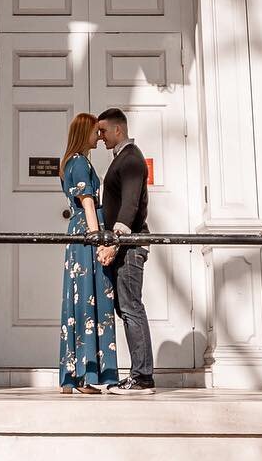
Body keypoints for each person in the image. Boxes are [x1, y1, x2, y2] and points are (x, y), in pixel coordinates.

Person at [58, 111, 119, 394]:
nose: (100, 136)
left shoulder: (70, 162)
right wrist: (98, 238)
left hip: (77, 234)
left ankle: (73, 375)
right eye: (96, 131)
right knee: (92, 299)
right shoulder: (80, 162)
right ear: (86, 133)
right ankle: (87, 374)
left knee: (78, 299)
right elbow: (88, 203)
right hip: (87, 233)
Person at [95, 107, 154, 392]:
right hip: (125, 246)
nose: (100, 136)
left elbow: (129, 206)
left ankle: (142, 377)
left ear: (118, 130)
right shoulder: (125, 158)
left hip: (129, 247)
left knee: (131, 307)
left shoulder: (131, 159)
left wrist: (113, 244)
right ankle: (140, 374)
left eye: (103, 131)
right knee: (127, 307)